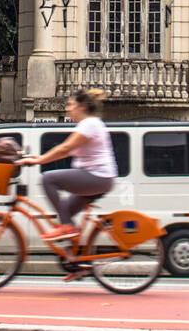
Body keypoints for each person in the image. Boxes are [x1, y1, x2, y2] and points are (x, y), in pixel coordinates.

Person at [16, 89, 117, 242]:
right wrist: (39, 158)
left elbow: (65, 148)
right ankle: (79, 257)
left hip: (97, 176)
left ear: (82, 106)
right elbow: (65, 152)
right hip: (99, 178)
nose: (67, 109)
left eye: (70, 105)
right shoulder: (89, 125)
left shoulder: (89, 124)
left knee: (48, 179)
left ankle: (66, 227)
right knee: (66, 213)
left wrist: (40, 161)